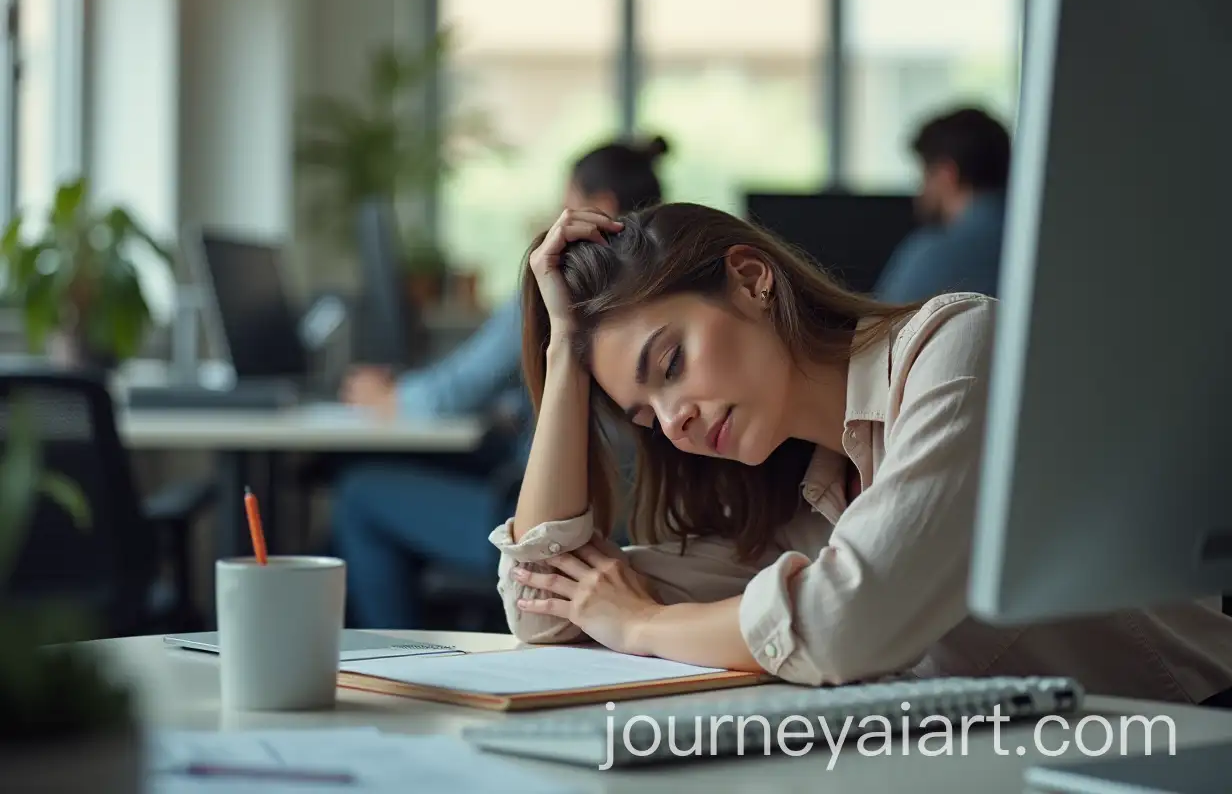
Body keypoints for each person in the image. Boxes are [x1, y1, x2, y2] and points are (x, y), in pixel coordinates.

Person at [490, 201, 1232, 703]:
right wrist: (563, 361)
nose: (674, 422)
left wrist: (643, 625)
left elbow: (845, 624)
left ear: (751, 279)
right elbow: (547, 608)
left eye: (672, 364)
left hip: (1178, 741)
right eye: (645, 416)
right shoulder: (797, 496)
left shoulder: (959, 350)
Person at [331, 135, 668, 628]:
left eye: (566, 202)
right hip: (627, 513)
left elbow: (454, 392)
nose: (557, 216)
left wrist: (387, 397)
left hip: (560, 519)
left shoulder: (570, 274)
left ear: (598, 208)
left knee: (359, 497)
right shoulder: (657, 276)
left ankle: (396, 663)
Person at [874, 106, 1011, 303]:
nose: (921, 190)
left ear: (948, 175)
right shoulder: (1043, 245)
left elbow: (877, 330)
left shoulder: (934, 256)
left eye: (925, 175)